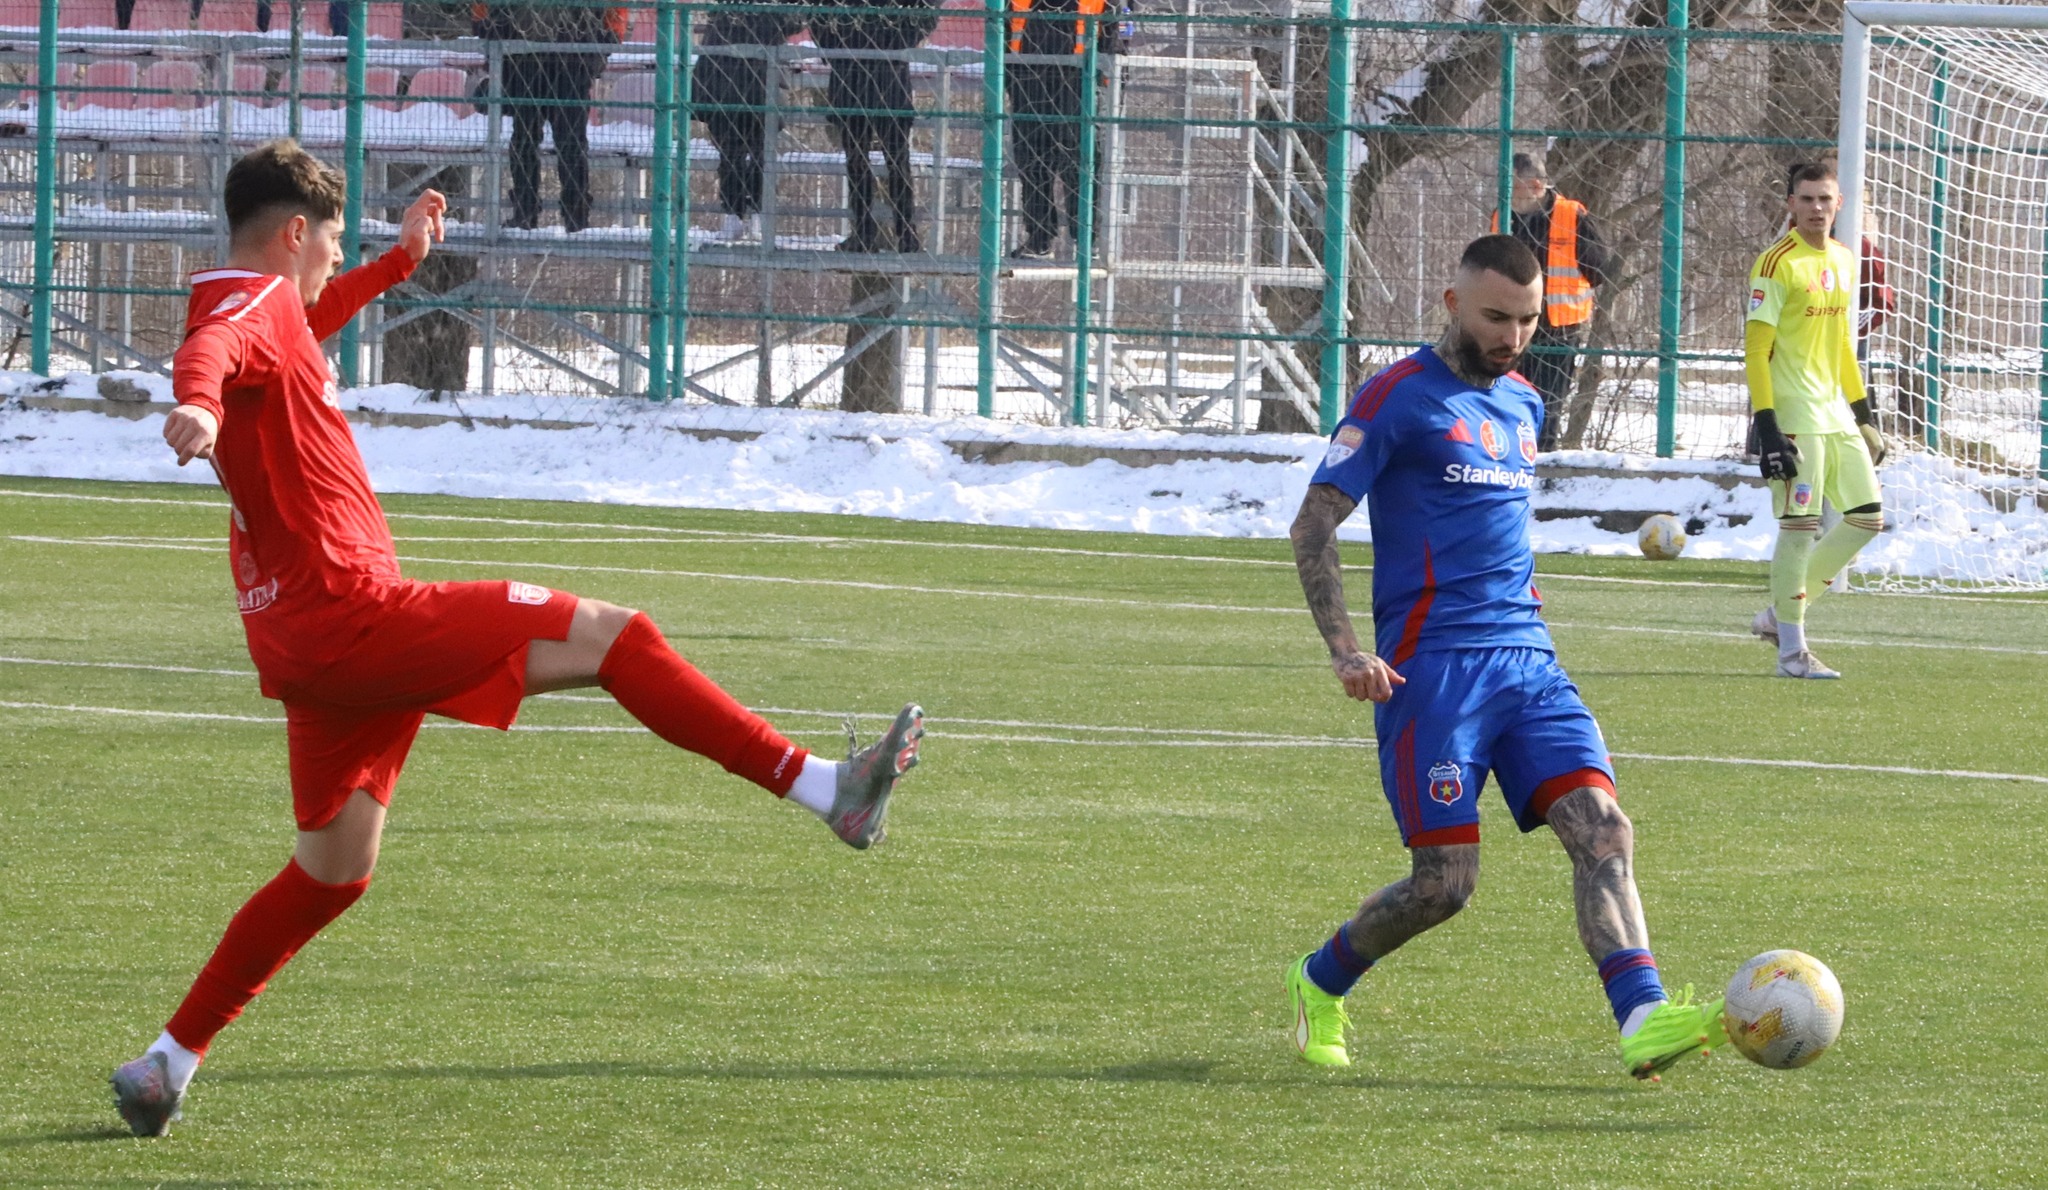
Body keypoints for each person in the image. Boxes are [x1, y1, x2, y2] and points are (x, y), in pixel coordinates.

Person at [107, 140, 926, 1138]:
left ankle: (168, 1060)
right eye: (331, 240)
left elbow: (290, 324)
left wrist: (396, 263)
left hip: (304, 640)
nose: (333, 258)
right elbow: (216, 354)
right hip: (355, 614)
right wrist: (194, 402)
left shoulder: (264, 306)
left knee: (333, 871)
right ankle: (826, 788)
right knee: (617, 637)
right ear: (291, 233)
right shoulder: (247, 311)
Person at [1282, 234, 1723, 1080]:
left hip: (1528, 662)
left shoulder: (1524, 404)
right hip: (1433, 673)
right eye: (1495, 317)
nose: (1514, 336)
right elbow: (1314, 524)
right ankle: (1320, 978)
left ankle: (1644, 1018)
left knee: (1604, 829)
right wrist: (1346, 651)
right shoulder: (1396, 398)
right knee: (1442, 887)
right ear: (1453, 304)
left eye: (1527, 320)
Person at [1744, 163, 1886, 680]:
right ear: (1791, 204)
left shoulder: (1845, 260)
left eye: (1825, 199)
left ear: (1839, 203)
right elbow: (1756, 350)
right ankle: (1792, 652)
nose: (1816, 208)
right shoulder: (1775, 263)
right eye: (1806, 199)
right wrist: (1767, 426)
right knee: (1800, 527)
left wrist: (1864, 414)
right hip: (1794, 414)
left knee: (1867, 518)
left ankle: (1778, 615)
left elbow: (1842, 345)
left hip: (1834, 412)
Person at [1490, 152, 1614, 451]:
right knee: (1505, 400)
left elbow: (1599, 270)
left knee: (1547, 406)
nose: (1504, 192)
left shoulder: (1572, 216)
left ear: (1535, 185)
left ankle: (1542, 461)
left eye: (1511, 185)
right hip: (1510, 327)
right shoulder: (1502, 215)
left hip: (1557, 329)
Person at [474, 1, 624, 233]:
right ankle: (530, 212)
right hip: (529, 58)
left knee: (566, 142)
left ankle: (572, 216)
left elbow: (615, 15)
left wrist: (603, 44)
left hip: (566, 59)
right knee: (528, 139)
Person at [809, 0, 939, 254]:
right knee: (861, 160)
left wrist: (901, 40)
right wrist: (833, 46)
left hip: (884, 74)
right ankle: (868, 232)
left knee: (894, 160)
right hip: (854, 72)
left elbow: (929, 8)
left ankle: (903, 233)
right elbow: (815, 11)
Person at [1003, 0, 1127, 261]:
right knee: (1032, 162)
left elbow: (1115, 37)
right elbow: (1002, 30)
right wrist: (1009, 77)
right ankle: (1039, 239)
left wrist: (1111, 87)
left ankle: (1087, 240)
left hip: (1079, 80)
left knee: (1080, 162)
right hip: (1028, 77)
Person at [692, 0, 803, 243]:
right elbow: (795, 21)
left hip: (729, 80)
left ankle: (736, 215)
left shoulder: (725, 16)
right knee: (758, 153)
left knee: (734, 153)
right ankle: (754, 215)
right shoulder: (766, 13)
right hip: (756, 80)